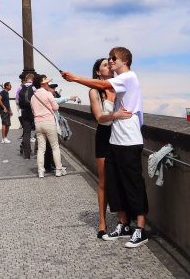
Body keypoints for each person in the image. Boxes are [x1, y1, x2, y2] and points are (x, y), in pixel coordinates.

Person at [62, 46, 149, 248]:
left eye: (113, 58)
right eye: (108, 59)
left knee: (134, 184)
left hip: (129, 141)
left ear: (124, 61)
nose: (110, 61)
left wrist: (75, 78)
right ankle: (123, 224)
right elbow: (103, 106)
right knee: (115, 185)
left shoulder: (129, 77)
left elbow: (98, 84)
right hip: (115, 141)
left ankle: (141, 230)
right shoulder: (117, 84)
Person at [89, 58, 132, 239]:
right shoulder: (95, 91)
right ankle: (102, 221)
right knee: (104, 182)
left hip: (121, 135)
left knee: (123, 178)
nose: (110, 67)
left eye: (110, 64)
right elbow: (99, 118)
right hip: (105, 138)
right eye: (105, 65)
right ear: (98, 73)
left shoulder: (120, 86)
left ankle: (125, 221)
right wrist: (116, 115)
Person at [30, 75, 67, 178]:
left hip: (38, 123)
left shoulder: (33, 97)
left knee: (41, 149)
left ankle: (41, 171)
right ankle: (59, 170)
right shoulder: (48, 94)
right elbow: (55, 107)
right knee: (55, 146)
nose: (48, 84)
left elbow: (33, 111)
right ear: (43, 84)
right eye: (46, 83)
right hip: (49, 122)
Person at [43, 83, 77, 172]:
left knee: (47, 146)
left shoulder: (40, 96)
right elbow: (57, 101)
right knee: (55, 146)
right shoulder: (48, 97)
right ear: (47, 88)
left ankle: (47, 165)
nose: (54, 90)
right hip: (51, 124)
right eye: (52, 88)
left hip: (43, 123)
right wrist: (69, 98)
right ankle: (57, 166)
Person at [17, 74, 35, 159]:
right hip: (34, 112)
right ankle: (36, 152)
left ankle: (27, 155)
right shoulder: (35, 87)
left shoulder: (20, 88)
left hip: (24, 112)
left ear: (26, 79)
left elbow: (17, 101)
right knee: (39, 132)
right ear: (32, 79)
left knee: (26, 133)